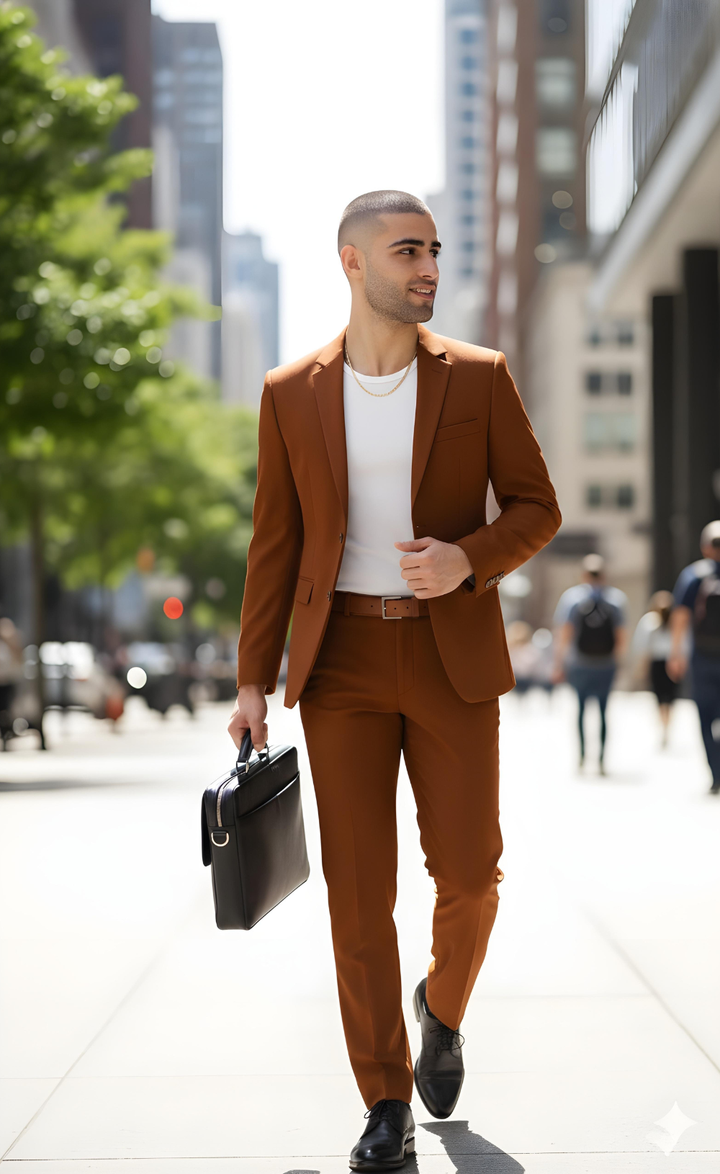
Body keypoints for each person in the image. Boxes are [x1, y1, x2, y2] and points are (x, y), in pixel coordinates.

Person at [228, 190, 561, 1170]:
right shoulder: (290, 392)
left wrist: (467, 559)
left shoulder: (480, 377)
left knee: (471, 871)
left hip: (451, 656)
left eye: (435, 252)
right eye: (407, 251)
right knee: (357, 891)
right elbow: (274, 545)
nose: (428, 269)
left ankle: (441, 1010)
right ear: (353, 262)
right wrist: (252, 681)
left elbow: (537, 506)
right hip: (341, 665)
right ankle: (384, 1099)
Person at [553, 554, 628, 774]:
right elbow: (621, 636)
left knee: (580, 710)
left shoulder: (572, 598)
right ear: (604, 575)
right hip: (605, 663)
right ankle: (602, 760)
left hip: (580, 663)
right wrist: (618, 662)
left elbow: (565, 633)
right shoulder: (616, 599)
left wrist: (559, 663)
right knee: (604, 712)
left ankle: (582, 757)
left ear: (583, 575)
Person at [667, 521, 720, 794]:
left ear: (704, 547)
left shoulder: (693, 576)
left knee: (705, 717)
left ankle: (716, 775)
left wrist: (676, 653)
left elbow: (680, 616)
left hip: (702, 657)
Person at [631, 590, 679, 748]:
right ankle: (666, 726)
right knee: (669, 697)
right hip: (671, 662)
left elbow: (643, 647)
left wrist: (642, 668)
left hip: (659, 663)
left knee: (661, 697)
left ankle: (664, 725)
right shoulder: (672, 622)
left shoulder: (650, 621)